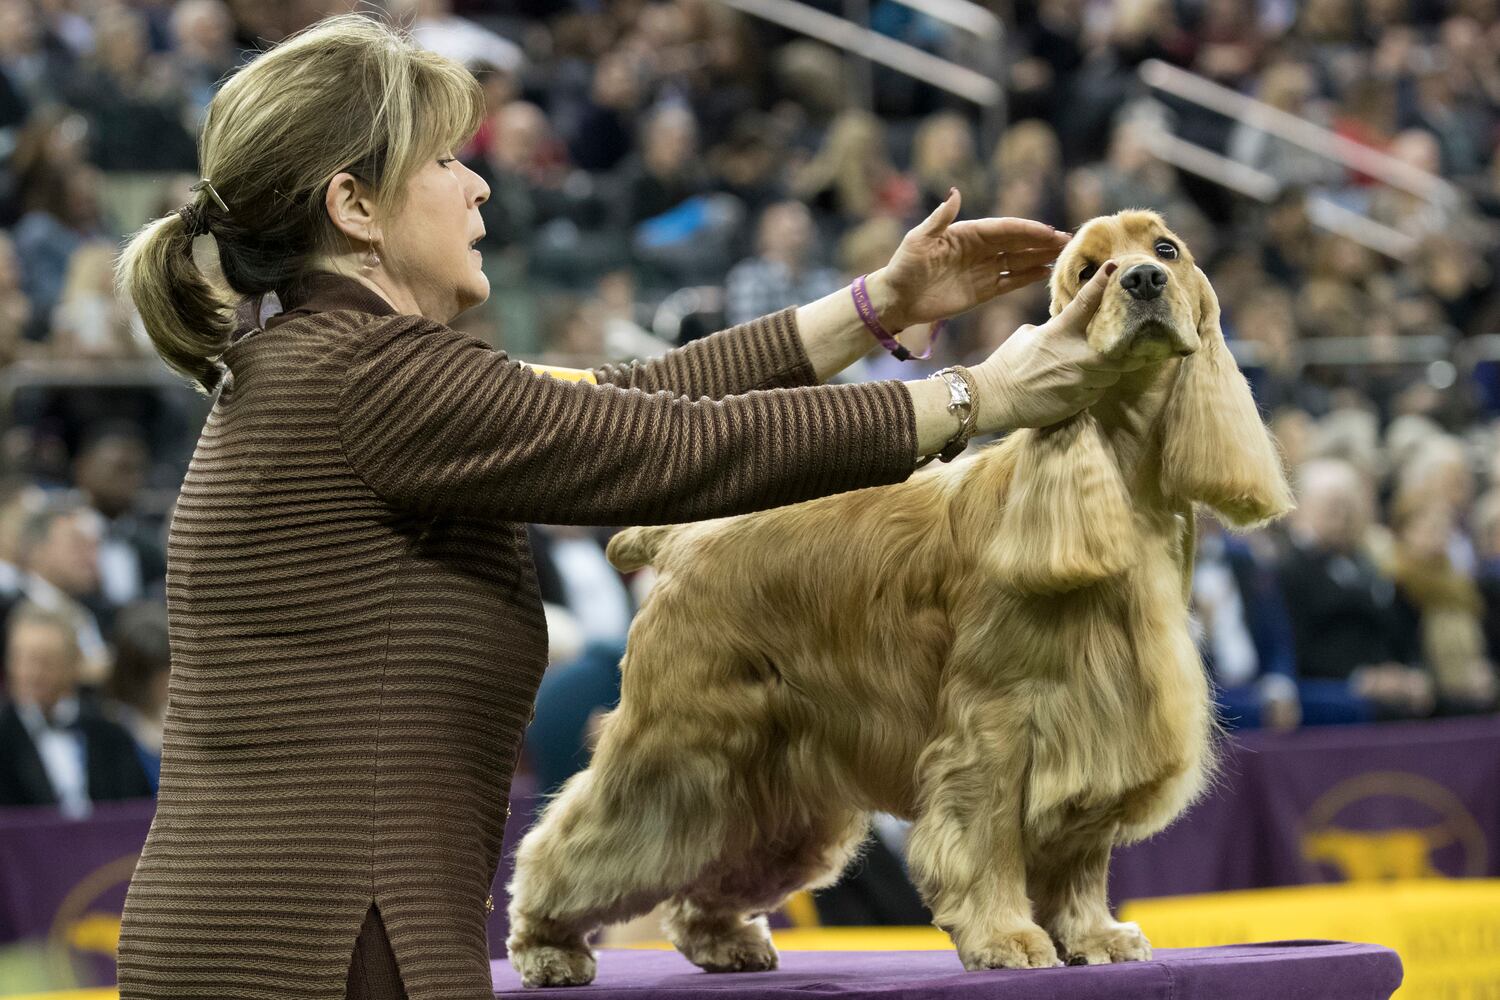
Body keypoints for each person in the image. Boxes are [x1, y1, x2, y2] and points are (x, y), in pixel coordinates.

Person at [110, 14, 1138, 1000]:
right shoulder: (371, 377)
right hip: (322, 944)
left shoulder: (322, 360)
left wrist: (877, 309)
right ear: (355, 207)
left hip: (277, 930)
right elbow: (678, 449)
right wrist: (973, 398)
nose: (478, 189)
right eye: (444, 163)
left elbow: (629, 398)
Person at [0, 600, 153, 815]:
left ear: (73, 664)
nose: (31, 673)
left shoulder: (111, 735)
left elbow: (138, 816)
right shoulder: (4, 735)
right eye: (21, 659)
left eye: (45, 661)